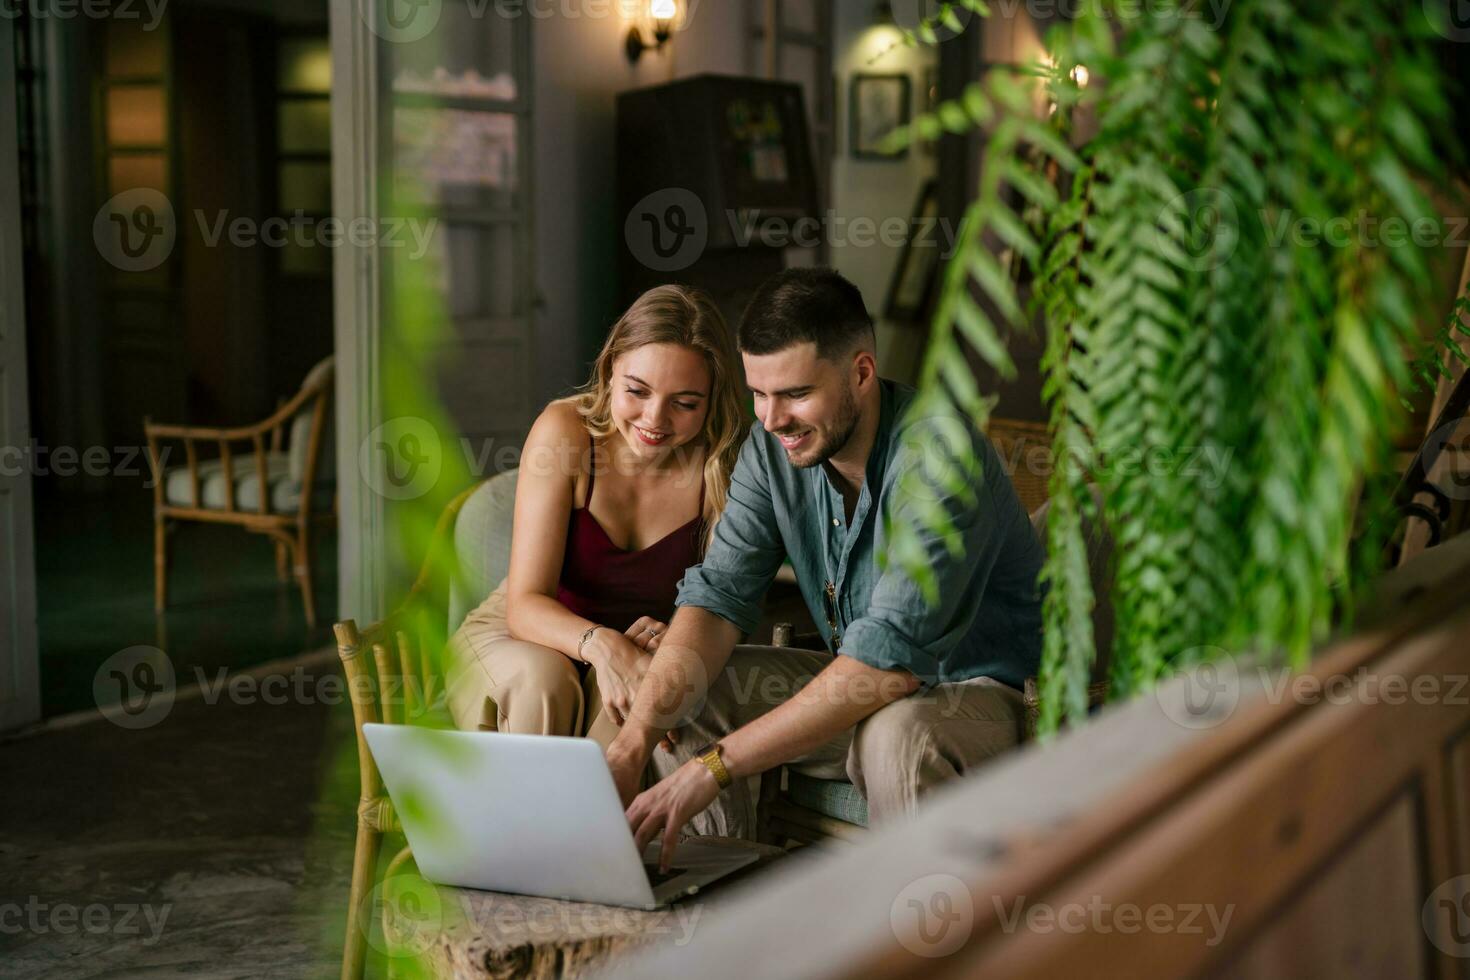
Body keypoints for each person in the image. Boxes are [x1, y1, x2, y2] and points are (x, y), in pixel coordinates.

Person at [603, 267, 1046, 867]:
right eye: (758, 393)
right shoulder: (771, 448)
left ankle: (912, 943)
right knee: (687, 696)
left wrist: (714, 767)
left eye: (794, 394)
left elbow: (884, 670)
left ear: (861, 372)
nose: (770, 418)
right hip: (867, 688)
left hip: (986, 698)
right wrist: (633, 744)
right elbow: (717, 598)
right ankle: (717, 929)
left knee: (898, 735)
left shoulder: (938, 457)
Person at [443, 285, 746, 747]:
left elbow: (719, 608)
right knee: (542, 685)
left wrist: (675, 637)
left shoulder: (722, 466)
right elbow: (524, 604)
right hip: (523, 636)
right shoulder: (565, 432)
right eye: (637, 391)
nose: (655, 418)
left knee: (636, 716)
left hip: (635, 650)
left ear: (711, 400)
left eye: (684, 403)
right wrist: (604, 644)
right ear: (610, 370)